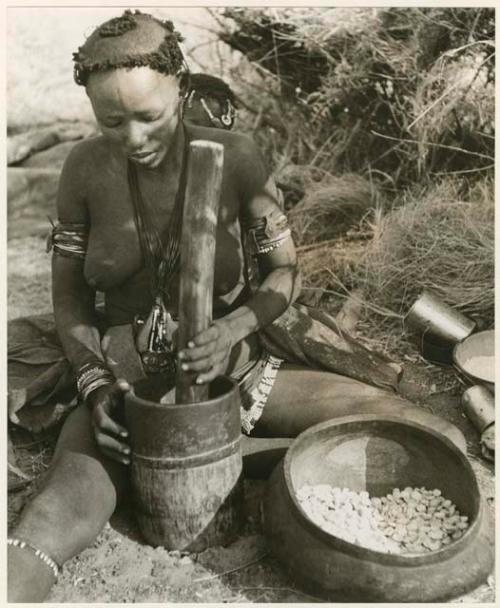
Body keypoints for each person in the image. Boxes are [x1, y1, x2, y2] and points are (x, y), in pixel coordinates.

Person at [7, 10, 466, 602]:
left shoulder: (236, 157)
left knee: (424, 435)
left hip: (237, 368)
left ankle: (233, 454)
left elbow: (285, 274)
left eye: (149, 117)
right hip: (126, 374)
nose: (134, 139)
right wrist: (96, 386)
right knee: (53, 516)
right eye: (111, 121)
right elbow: (68, 295)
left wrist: (231, 329)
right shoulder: (82, 169)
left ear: (180, 85)